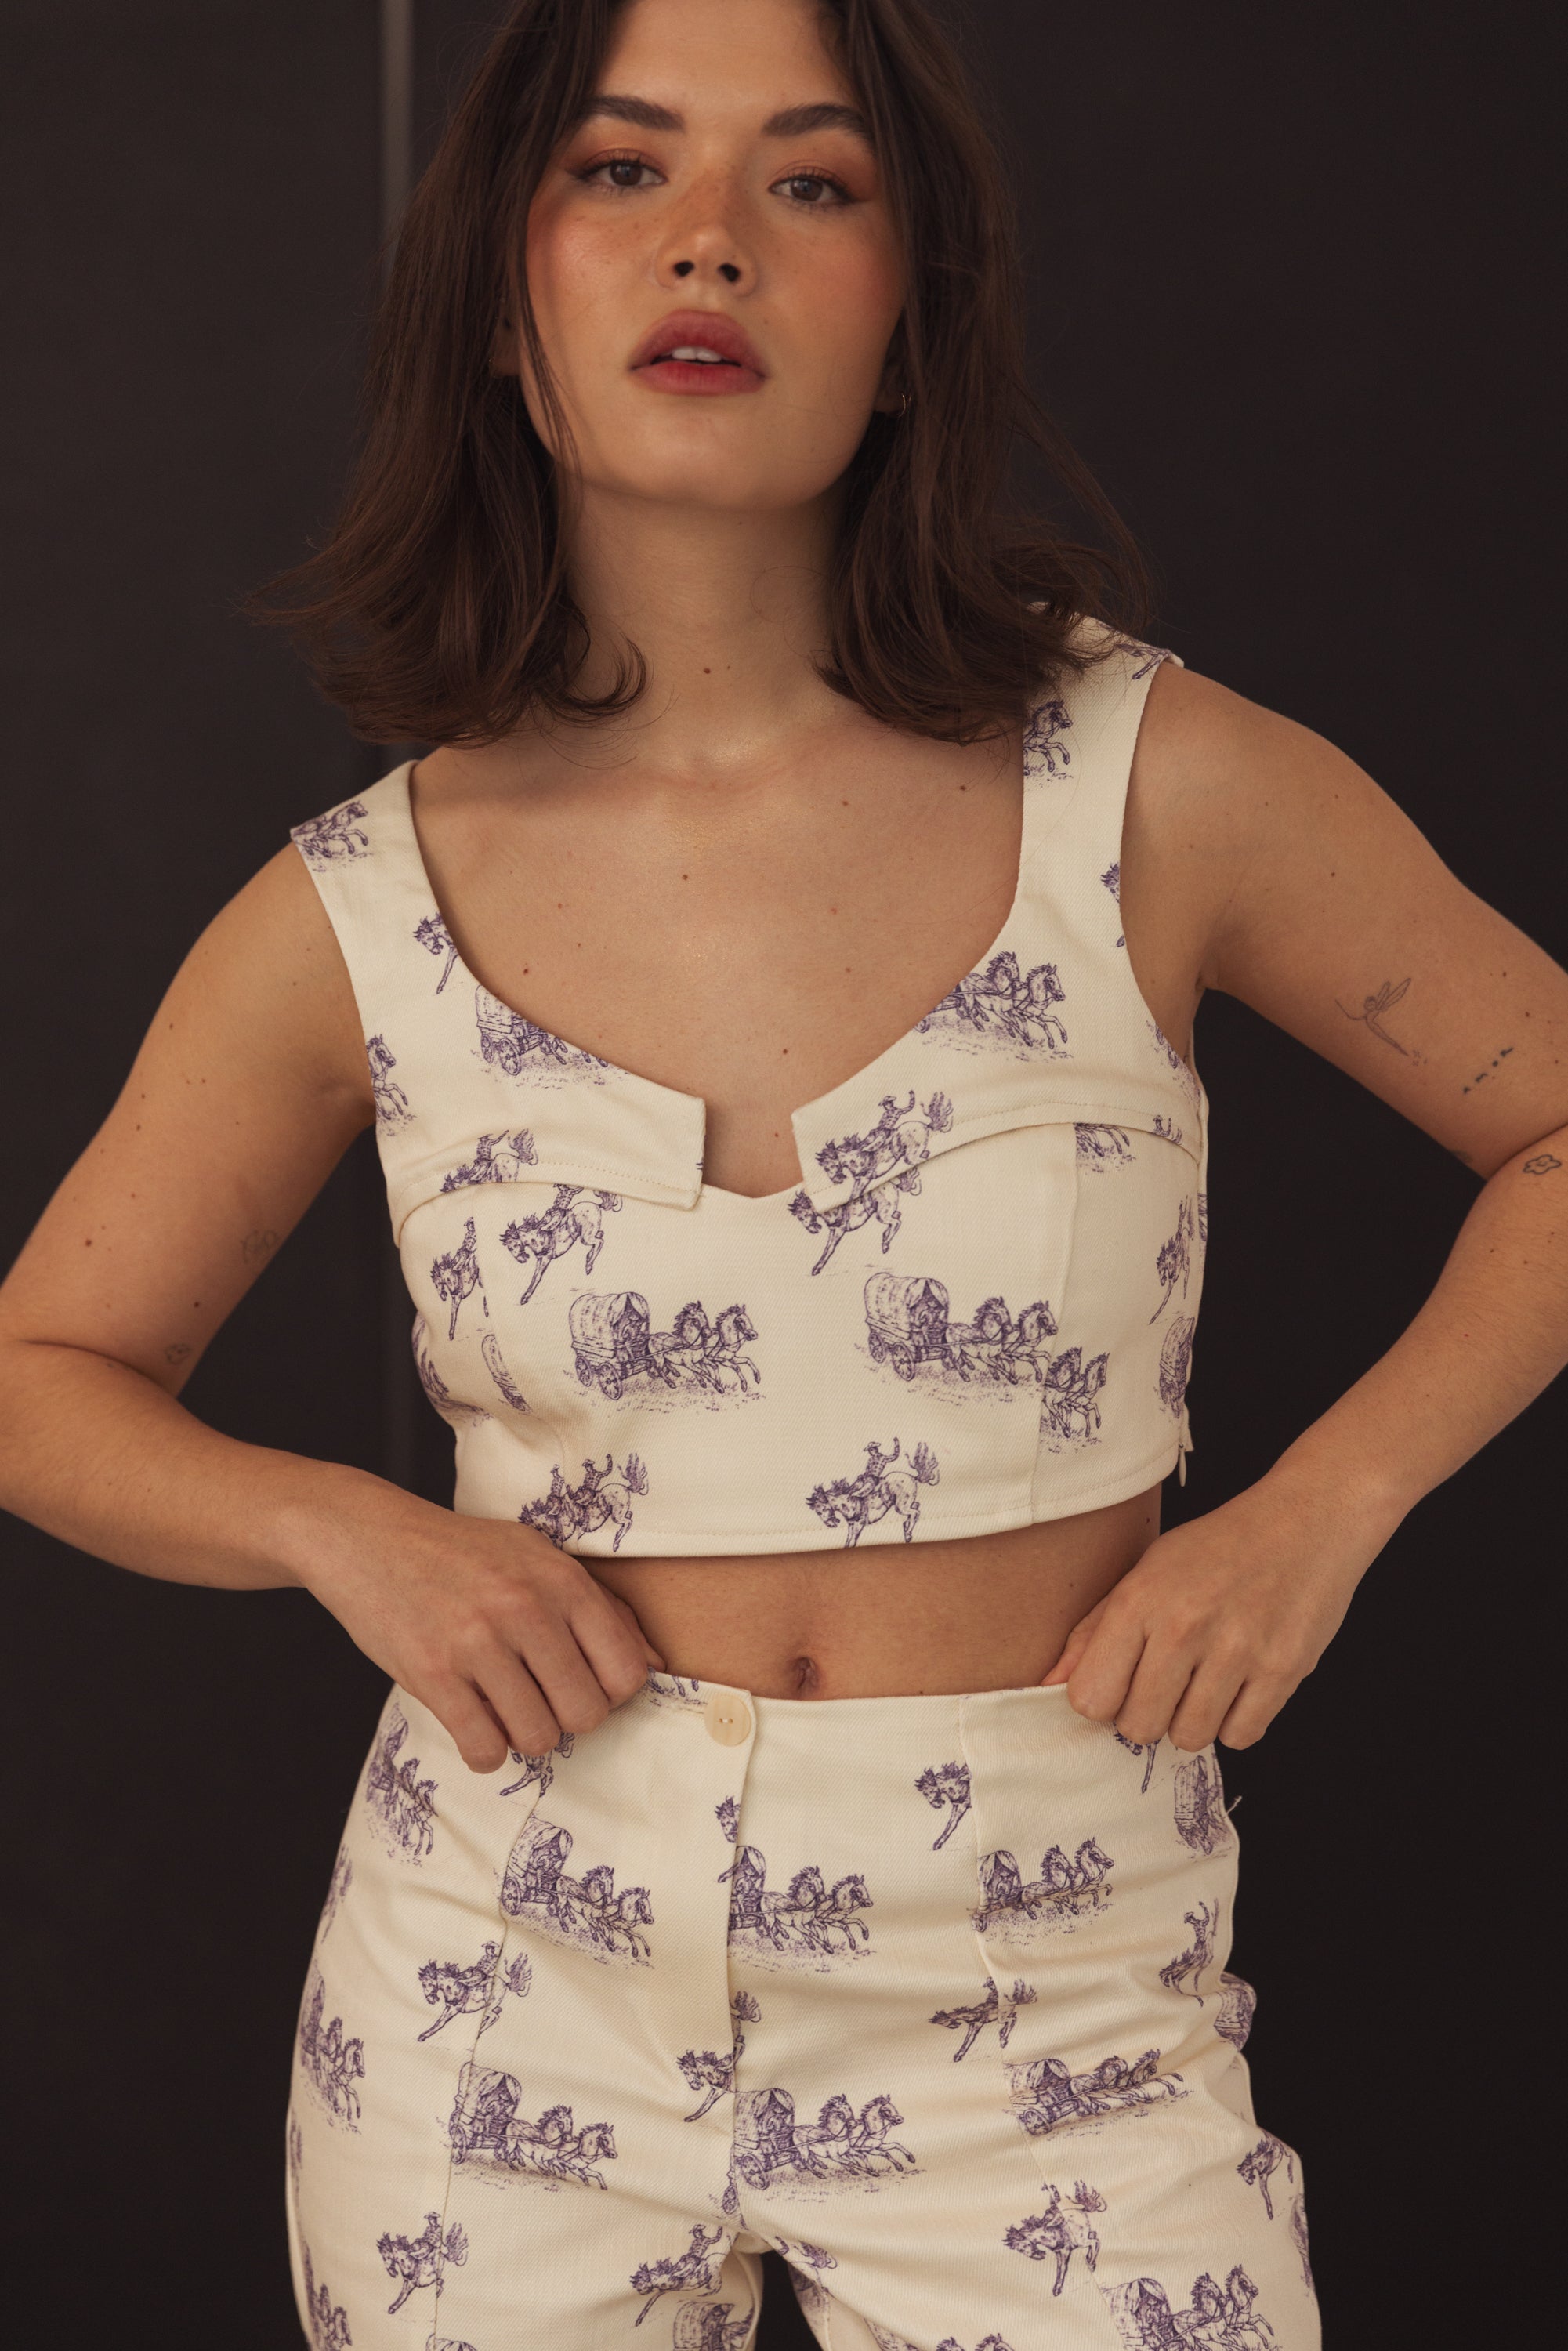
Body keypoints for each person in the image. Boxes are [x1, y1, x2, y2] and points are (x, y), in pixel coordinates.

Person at [2, 0, 1565, 2344]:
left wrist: (1318, 1513)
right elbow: (41, 1372)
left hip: (1047, 1973)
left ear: (912, 321)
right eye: (621, 169)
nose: (709, 239)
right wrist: (347, 1532)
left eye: (810, 182)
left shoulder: (1154, 784)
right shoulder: (354, 907)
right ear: (506, 312)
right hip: (505, 1976)